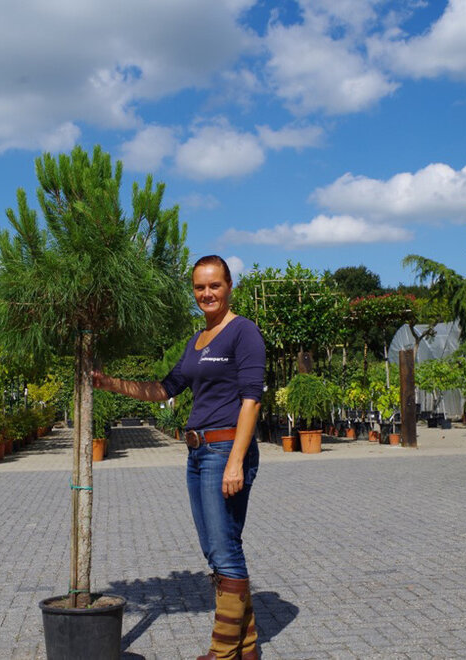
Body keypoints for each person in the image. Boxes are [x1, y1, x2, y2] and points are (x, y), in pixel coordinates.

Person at [93, 254, 265, 660]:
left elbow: (252, 400)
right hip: (197, 452)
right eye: (200, 287)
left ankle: (223, 652)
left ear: (229, 287)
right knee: (217, 548)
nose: (207, 293)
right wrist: (110, 383)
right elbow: (165, 389)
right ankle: (248, 647)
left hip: (225, 449)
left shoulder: (244, 333)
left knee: (224, 548)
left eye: (215, 285)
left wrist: (236, 461)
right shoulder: (197, 341)